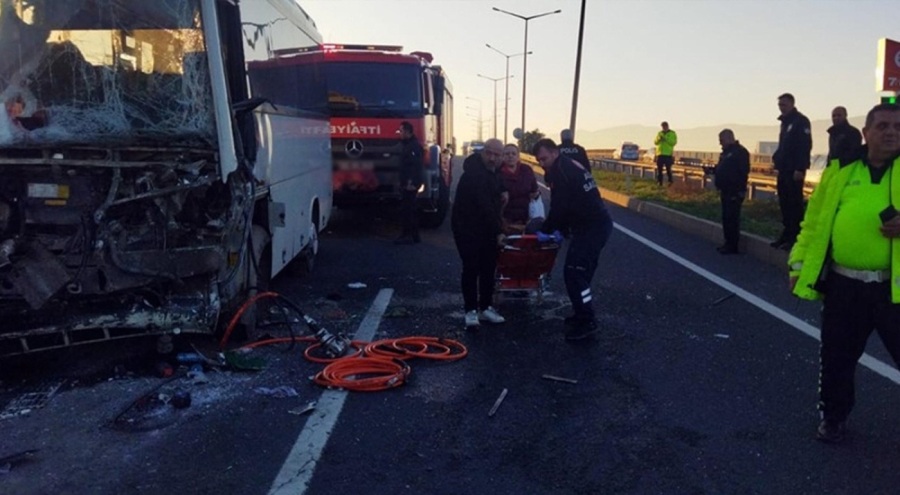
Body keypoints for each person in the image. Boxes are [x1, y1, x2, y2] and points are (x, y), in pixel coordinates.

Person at [788, 102, 900, 444]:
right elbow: (813, 223)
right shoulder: (840, 171)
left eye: (898, 127)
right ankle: (833, 418)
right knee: (836, 358)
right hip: (844, 286)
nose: (891, 132)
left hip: (893, 289)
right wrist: (798, 264)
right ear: (865, 133)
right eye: (882, 126)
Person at [532, 138, 613, 341]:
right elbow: (570, 203)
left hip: (592, 227)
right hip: (590, 225)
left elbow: (560, 207)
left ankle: (587, 320)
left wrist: (546, 230)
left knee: (575, 273)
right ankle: (581, 312)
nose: (542, 163)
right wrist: (562, 228)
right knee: (580, 274)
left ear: (554, 152)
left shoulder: (561, 171)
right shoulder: (567, 165)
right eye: (538, 160)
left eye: (544, 158)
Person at [451, 138, 507, 329]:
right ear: (483, 152)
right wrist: (499, 231)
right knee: (471, 268)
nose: (492, 158)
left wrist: (504, 191)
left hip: (486, 228)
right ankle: (470, 310)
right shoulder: (474, 174)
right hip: (467, 227)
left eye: (496, 155)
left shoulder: (494, 171)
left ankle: (485, 307)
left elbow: (497, 186)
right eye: (489, 153)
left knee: (488, 268)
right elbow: (485, 206)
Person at [771, 93, 812, 250]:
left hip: (794, 170)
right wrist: (777, 160)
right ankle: (786, 234)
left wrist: (800, 168)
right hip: (784, 169)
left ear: (792, 104)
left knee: (794, 204)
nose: (781, 108)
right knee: (784, 204)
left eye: (784, 105)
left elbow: (805, 146)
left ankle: (795, 237)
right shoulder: (785, 123)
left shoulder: (800, 121)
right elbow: (784, 146)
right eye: (780, 105)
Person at [711, 129, 750, 255]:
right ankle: (727, 242)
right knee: (726, 217)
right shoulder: (725, 153)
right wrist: (713, 171)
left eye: (722, 140)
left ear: (729, 138)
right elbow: (721, 169)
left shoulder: (740, 152)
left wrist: (739, 189)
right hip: (725, 189)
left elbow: (743, 172)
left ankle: (733, 245)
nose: (720, 143)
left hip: (734, 190)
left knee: (732, 217)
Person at [498, 143, 540, 232]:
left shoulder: (527, 170)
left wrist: (536, 194)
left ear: (518, 156)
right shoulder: (497, 173)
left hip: (526, 218)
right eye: (507, 154)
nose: (510, 156)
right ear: (502, 157)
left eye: (513, 154)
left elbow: (534, 190)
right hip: (505, 219)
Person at [394, 121, 423, 245]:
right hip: (407, 182)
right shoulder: (408, 145)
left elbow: (415, 166)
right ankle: (414, 236)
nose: (399, 133)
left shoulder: (413, 146)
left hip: (410, 184)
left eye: (401, 131)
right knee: (409, 209)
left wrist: (411, 182)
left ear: (407, 132)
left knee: (408, 210)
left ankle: (407, 235)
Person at [654, 121, 678, 186]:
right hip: (660, 154)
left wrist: (665, 139)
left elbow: (673, 143)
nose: (663, 128)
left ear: (667, 126)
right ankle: (659, 182)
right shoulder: (660, 133)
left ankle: (670, 181)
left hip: (668, 154)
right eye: (662, 127)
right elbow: (655, 142)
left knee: (668, 169)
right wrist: (659, 139)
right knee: (659, 169)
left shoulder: (672, 133)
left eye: (664, 126)